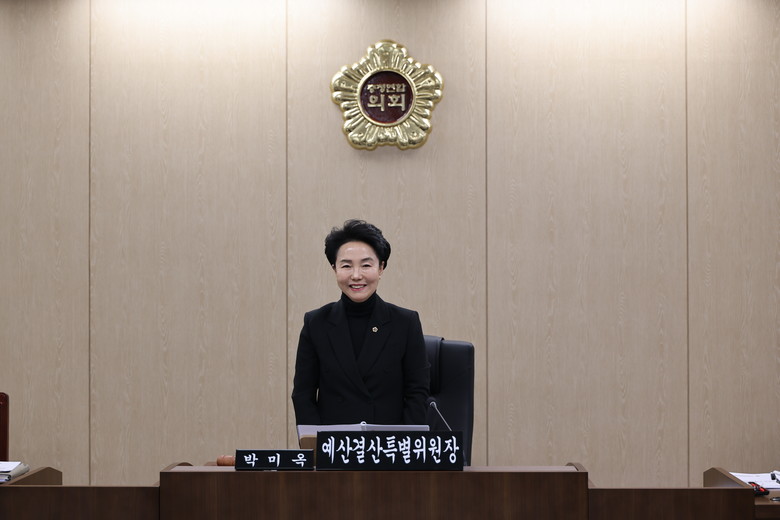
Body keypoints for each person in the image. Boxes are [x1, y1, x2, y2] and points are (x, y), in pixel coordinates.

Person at [291, 219, 430, 426]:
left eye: (366, 265)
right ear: (334, 268)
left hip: (388, 442)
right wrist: (316, 443)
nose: (356, 275)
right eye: (346, 265)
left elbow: (417, 393)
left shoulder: (406, 322)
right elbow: (303, 395)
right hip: (335, 442)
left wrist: (405, 442)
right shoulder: (316, 323)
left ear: (381, 268)